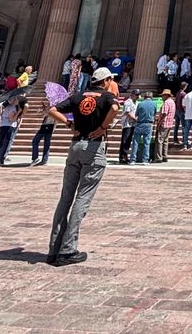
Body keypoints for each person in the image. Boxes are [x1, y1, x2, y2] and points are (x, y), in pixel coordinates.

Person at [46, 67, 119, 267]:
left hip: (75, 146)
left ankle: (54, 249)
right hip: (94, 147)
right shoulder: (107, 97)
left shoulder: (78, 96)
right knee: (82, 198)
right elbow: (114, 109)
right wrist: (103, 128)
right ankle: (68, 250)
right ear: (107, 80)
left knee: (65, 198)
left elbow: (51, 109)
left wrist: (69, 125)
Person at [0, 96, 23, 166]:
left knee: (0, 144)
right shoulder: (12, 107)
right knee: (4, 144)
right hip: (8, 126)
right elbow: (11, 119)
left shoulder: (7, 107)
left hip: (3, 125)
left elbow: (1, 111)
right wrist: (18, 113)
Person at [31, 99, 55, 166]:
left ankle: (36, 158)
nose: (48, 102)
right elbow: (43, 115)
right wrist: (44, 107)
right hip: (47, 126)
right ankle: (44, 160)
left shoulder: (53, 109)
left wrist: (45, 108)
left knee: (35, 141)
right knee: (46, 143)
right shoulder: (50, 108)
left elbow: (46, 115)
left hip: (47, 126)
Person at [117, 90, 138, 164]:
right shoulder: (128, 102)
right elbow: (128, 113)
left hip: (133, 124)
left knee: (128, 141)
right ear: (132, 94)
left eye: (138, 95)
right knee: (125, 140)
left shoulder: (136, 102)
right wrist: (135, 119)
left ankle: (125, 156)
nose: (137, 97)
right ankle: (122, 157)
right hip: (127, 124)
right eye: (136, 95)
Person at [156, 89, 175, 161]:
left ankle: (159, 157)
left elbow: (164, 113)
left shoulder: (166, 103)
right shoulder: (172, 102)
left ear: (166, 95)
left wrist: (159, 123)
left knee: (160, 140)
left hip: (164, 123)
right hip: (170, 124)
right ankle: (165, 155)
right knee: (165, 140)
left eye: (163, 95)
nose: (162, 97)